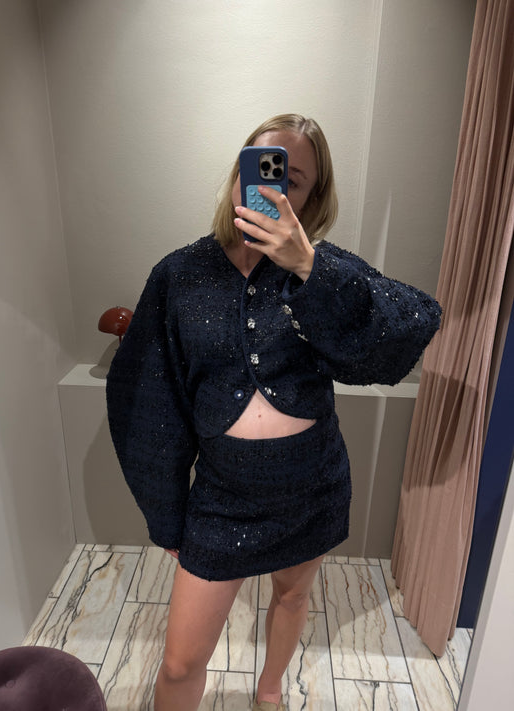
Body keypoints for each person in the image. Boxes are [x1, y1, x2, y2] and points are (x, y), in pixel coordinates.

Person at [106, 114, 442, 711]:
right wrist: (166, 512)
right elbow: (149, 398)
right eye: (261, 169)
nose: (273, 187)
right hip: (222, 497)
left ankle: (269, 691)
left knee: (292, 597)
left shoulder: (324, 269)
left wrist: (308, 267)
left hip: (312, 483)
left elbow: (410, 326)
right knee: (180, 663)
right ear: (238, 174)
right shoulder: (180, 275)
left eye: (294, 179)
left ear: (311, 197)